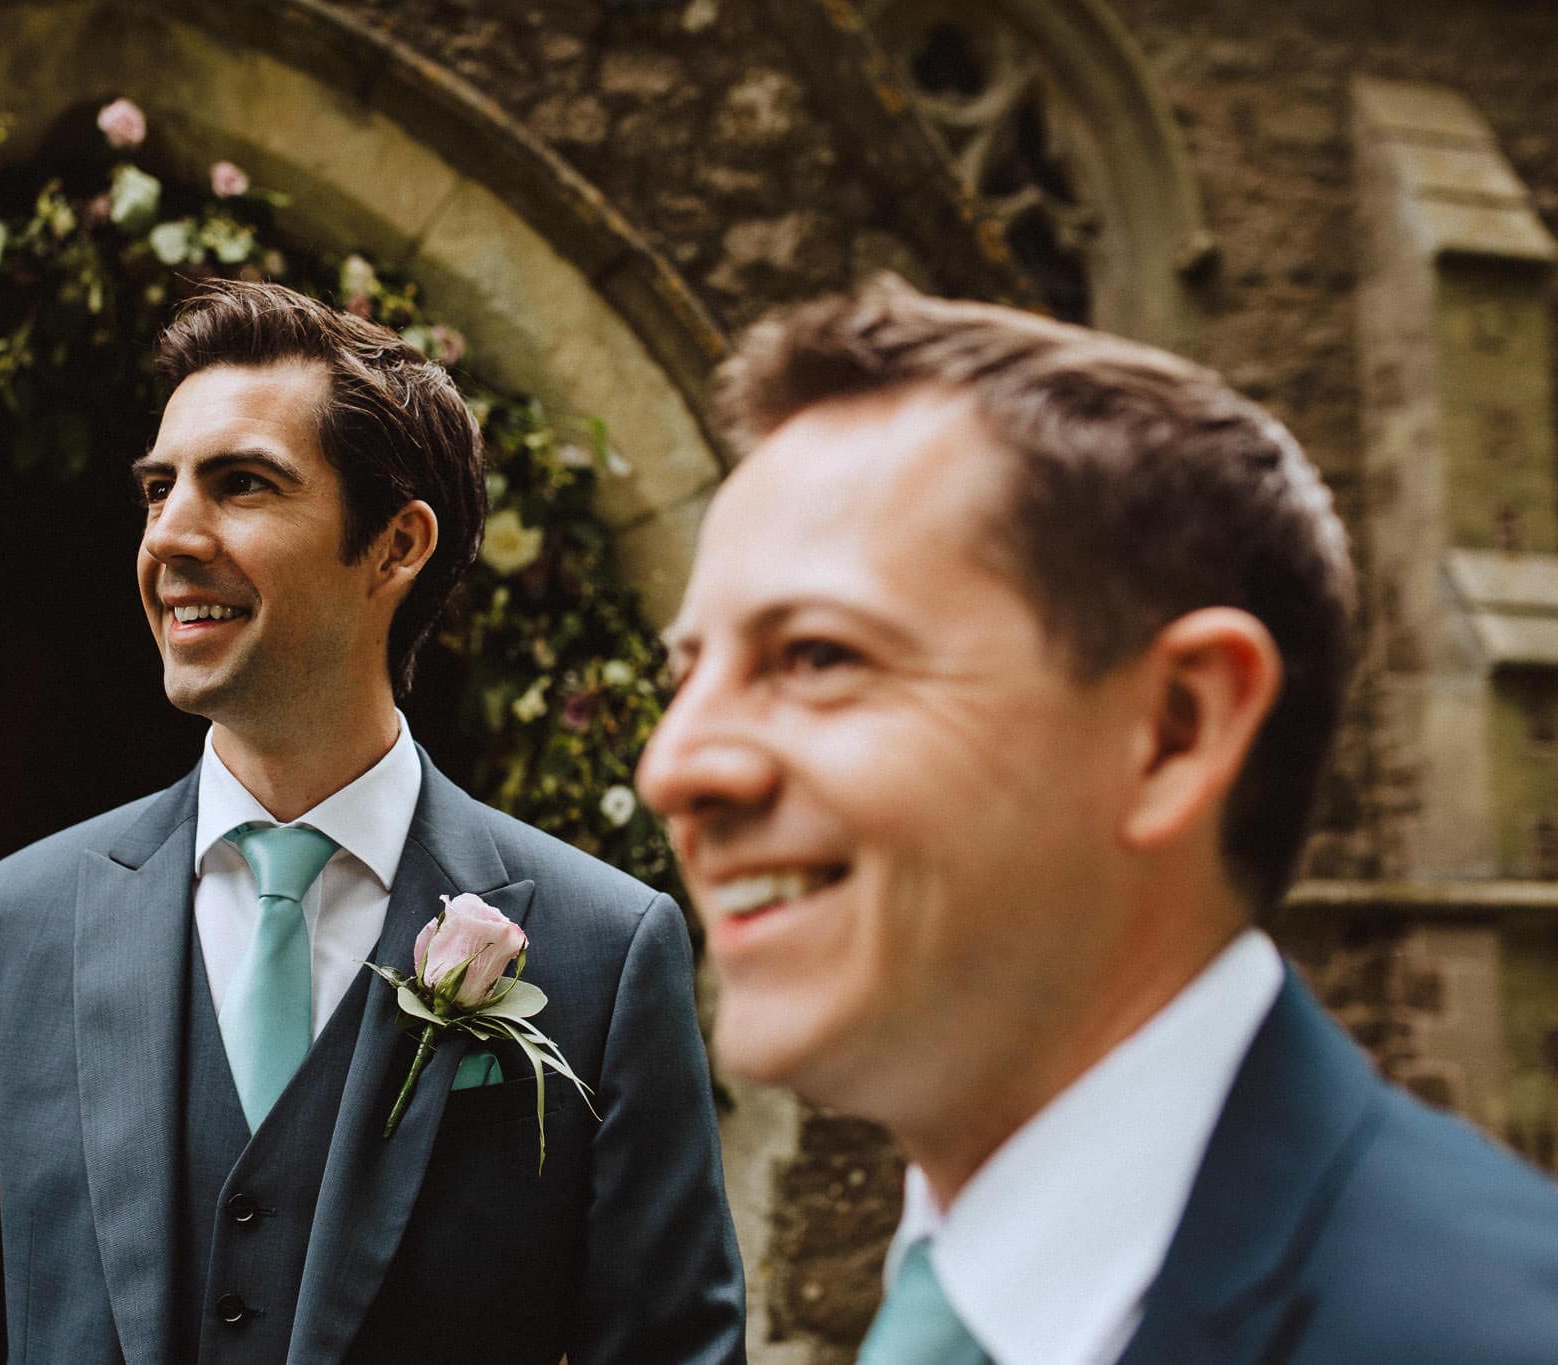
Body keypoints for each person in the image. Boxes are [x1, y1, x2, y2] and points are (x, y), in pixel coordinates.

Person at [637, 275, 1558, 1364]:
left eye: (817, 657)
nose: (672, 768)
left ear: (1173, 729)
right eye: (686, 675)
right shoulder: (958, 1293)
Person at [0, 280, 744, 1364]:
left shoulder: (602, 948)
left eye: (241, 485)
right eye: (157, 487)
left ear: (396, 545)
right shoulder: (27, 917)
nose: (170, 535)